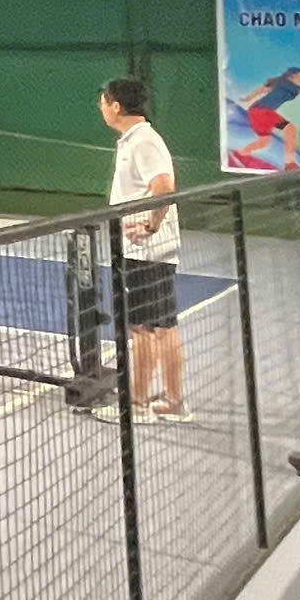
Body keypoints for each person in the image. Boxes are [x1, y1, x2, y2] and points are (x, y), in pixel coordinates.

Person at [99, 75, 189, 424]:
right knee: (163, 326)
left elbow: (164, 187)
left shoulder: (144, 141)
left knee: (142, 328)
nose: (101, 108)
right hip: (151, 251)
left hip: (146, 252)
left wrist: (150, 226)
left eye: (103, 101)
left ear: (116, 106)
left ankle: (137, 405)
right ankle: (174, 402)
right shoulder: (134, 140)